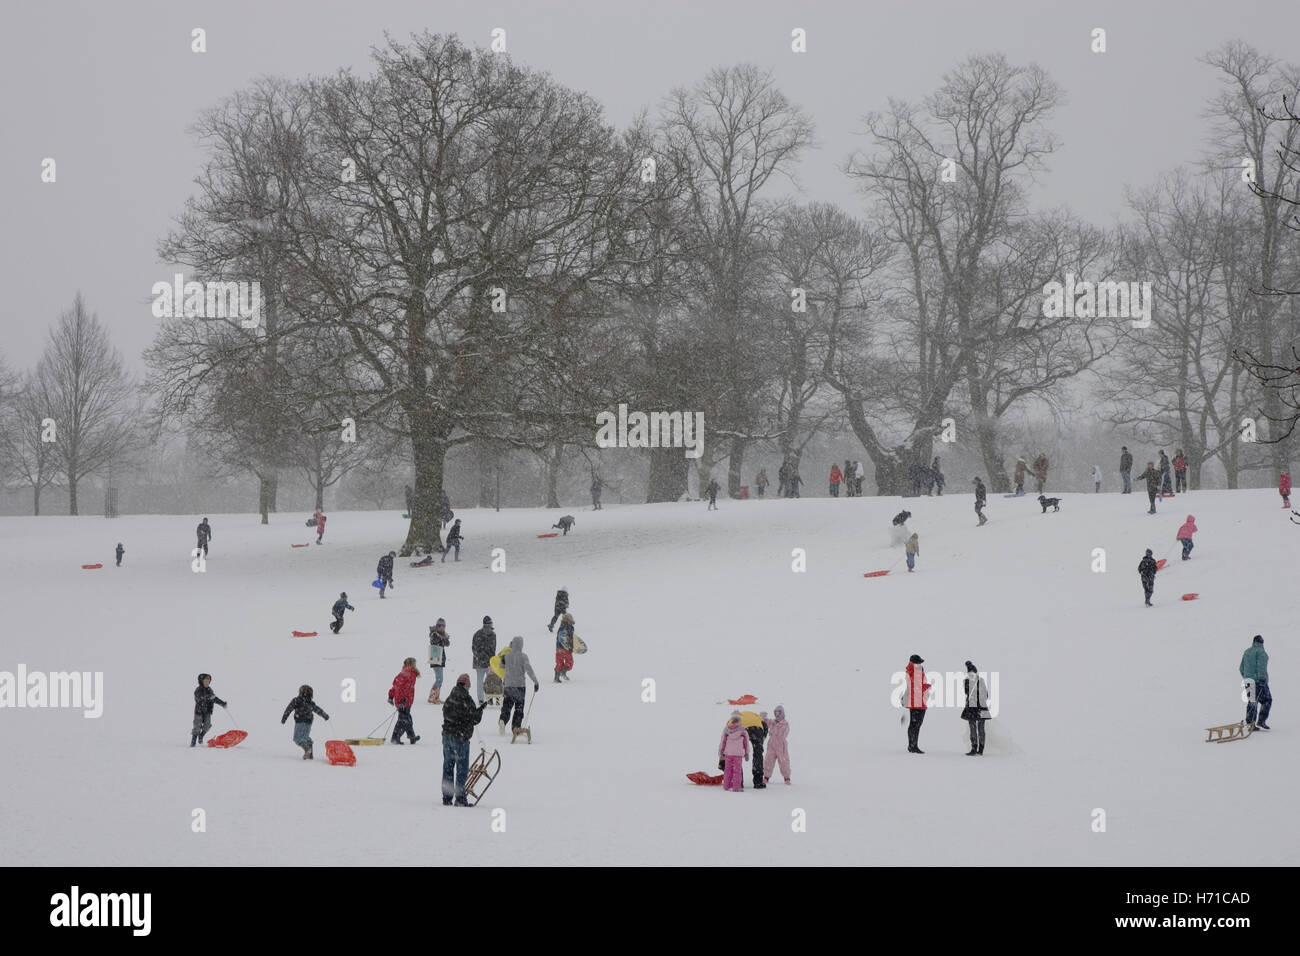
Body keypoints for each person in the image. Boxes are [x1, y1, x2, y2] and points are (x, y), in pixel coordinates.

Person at [441, 674, 488, 806]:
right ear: (466, 685)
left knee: (448, 767)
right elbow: (474, 719)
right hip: (460, 738)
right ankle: (460, 798)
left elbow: (447, 713)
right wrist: (481, 710)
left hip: (447, 736)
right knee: (461, 768)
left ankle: (447, 797)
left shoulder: (450, 698)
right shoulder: (466, 699)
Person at [497, 636, 539, 736]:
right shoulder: (523, 656)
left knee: (507, 706)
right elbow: (529, 670)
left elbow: (500, 666)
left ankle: (503, 720)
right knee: (518, 708)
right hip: (520, 686)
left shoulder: (506, 656)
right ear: (521, 645)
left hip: (508, 686)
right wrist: (535, 682)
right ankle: (516, 727)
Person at [280, 684, 329, 759]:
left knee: (297, 738)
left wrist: (284, 717)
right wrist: (324, 715)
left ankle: (307, 750)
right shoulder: (310, 703)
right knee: (305, 737)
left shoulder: (296, 700)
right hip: (308, 722)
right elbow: (317, 709)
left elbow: (289, 709)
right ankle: (310, 754)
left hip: (300, 721)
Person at [1239, 636, 1271, 731]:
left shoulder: (1247, 652)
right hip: (1258, 682)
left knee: (1252, 701)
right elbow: (1261, 666)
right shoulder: (1261, 652)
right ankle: (1261, 721)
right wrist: (1261, 679)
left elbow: (1241, 668)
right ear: (1262, 642)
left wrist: (1247, 677)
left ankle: (1250, 722)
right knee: (1267, 700)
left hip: (1248, 681)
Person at [387, 658, 421, 744]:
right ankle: (395, 738)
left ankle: (411, 736)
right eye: (414, 664)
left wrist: (391, 696)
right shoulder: (410, 674)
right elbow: (406, 688)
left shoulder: (402, 674)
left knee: (406, 718)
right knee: (404, 720)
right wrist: (403, 699)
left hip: (401, 700)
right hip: (405, 701)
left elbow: (395, 686)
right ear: (411, 664)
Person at [961, 661, 991, 756]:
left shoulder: (974, 681)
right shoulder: (975, 681)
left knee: (975, 728)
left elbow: (984, 695)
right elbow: (984, 695)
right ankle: (977, 748)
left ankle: (976, 748)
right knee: (977, 728)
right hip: (977, 707)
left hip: (974, 707)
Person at [904, 654, 931, 753]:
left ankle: (912, 745)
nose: (920, 664)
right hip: (918, 702)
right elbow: (917, 688)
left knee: (913, 724)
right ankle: (913, 746)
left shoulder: (911, 671)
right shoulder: (916, 672)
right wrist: (927, 686)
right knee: (916, 725)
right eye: (919, 662)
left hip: (916, 701)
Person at [191, 673, 227, 747]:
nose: (207, 682)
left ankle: (201, 736)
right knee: (197, 726)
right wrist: (207, 698)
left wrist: (222, 703)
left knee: (207, 725)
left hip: (207, 711)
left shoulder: (210, 690)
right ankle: (193, 742)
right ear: (201, 681)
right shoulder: (198, 690)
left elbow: (214, 698)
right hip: (199, 711)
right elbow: (198, 698)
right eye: (205, 681)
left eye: (208, 681)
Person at [718, 712, 750, 792]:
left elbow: (723, 742)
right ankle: (736, 787)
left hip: (728, 753)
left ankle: (726, 786)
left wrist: (721, 752)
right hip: (738, 754)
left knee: (727, 770)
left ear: (731, 720)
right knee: (737, 771)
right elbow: (746, 743)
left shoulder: (726, 729)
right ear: (739, 720)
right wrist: (746, 753)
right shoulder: (743, 731)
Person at [763, 705, 791, 785]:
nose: (776, 715)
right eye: (775, 713)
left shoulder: (785, 724)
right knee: (768, 760)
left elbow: (783, 735)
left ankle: (786, 777)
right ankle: (766, 776)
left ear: (782, 713)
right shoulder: (773, 722)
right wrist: (763, 717)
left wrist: (774, 732)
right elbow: (767, 722)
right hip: (772, 745)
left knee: (783, 761)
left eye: (778, 713)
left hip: (781, 746)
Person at [471, 616, 496, 705]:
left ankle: (489, 697)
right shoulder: (478, 634)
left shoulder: (492, 635)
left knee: (490, 681)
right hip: (480, 662)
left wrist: (492, 661)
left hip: (488, 663)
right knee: (481, 681)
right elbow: (474, 649)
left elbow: (493, 650)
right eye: (489, 624)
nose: (489, 626)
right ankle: (481, 698)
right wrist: (482, 657)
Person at [427, 619, 450, 703]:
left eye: (443, 626)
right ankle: (432, 697)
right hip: (435, 658)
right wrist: (443, 638)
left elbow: (447, 643)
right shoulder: (434, 634)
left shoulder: (441, 635)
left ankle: (436, 697)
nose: (442, 627)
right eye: (439, 625)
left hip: (440, 659)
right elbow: (435, 642)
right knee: (439, 679)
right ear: (437, 626)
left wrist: (444, 637)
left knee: (440, 679)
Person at [746, 714, 768, 789]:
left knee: (735, 753)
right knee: (758, 755)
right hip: (757, 730)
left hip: (742, 727)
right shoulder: (759, 719)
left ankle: (737, 780)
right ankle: (758, 781)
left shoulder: (737, 719)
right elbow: (765, 729)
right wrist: (761, 741)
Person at [554, 612, 575, 683]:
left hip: (558, 648)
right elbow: (569, 638)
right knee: (569, 661)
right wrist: (570, 647)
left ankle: (556, 677)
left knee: (559, 662)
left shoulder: (561, 626)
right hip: (566, 648)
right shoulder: (569, 627)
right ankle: (563, 673)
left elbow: (560, 637)